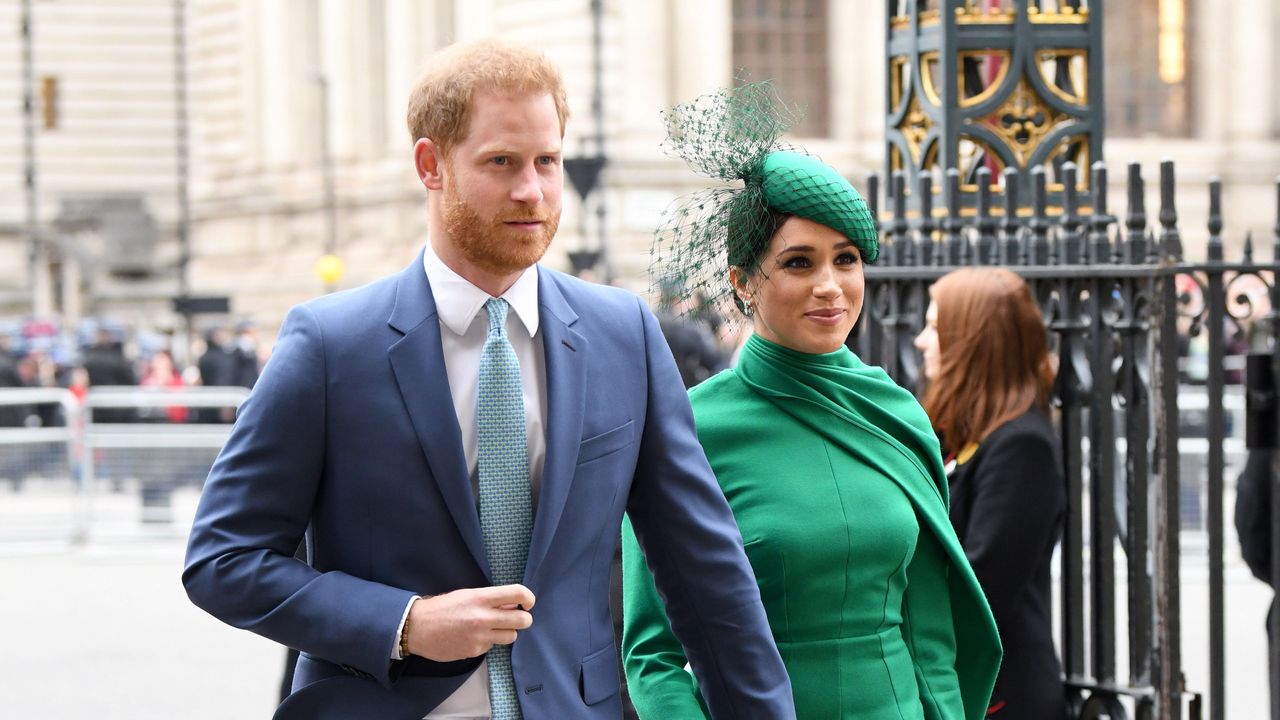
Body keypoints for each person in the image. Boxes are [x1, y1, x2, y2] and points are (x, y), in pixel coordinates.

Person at [183, 39, 793, 720]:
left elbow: (707, 573)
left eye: (547, 162)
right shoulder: (330, 345)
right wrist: (405, 623)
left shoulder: (624, 334)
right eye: (501, 162)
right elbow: (222, 559)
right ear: (430, 165)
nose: (531, 190)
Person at [621, 80, 1001, 720]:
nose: (830, 287)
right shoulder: (689, 431)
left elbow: (930, 629)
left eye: (846, 260)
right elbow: (651, 654)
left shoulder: (898, 413)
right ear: (744, 282)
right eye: (799, 262)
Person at [912, 267, 1066, 720]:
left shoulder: (1022, 446)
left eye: (935, 327)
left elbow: (981, 588)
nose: (921, 340)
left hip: (1003, 697)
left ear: (972, 341)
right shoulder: (969, 433)